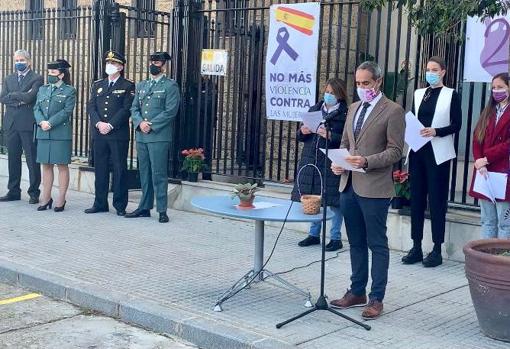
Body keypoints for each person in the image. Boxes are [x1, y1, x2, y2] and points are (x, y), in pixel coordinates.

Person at [330, 61, 405, 320]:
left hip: (374, 187)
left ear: (378, 82)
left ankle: (376, 298)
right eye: (358, 84)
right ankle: (357, 291)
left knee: (377, 243)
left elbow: (396, 151)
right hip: (348, 184)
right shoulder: (352, 108)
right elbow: (345, 142)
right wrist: (338, 163)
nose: (362, 88)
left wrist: (367, 161)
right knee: (356, 242)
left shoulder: (393, 111)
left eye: (367, 83)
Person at [402, 56, 462, 267]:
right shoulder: (420, 94)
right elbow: (412, 119)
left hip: (438, 153)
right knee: (416, 199)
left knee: (436, 201)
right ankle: (416, 246)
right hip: (418, 150)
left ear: (443, 71)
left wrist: (436, 131)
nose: (430, 73)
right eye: (428, 69)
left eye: (434, 69)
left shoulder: (451, 94)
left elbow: (457, 125)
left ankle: (436, 248)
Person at [291, 78, 348, 252]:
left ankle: (335, 237)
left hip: (331, 160)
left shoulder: (345, 114)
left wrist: (331, 136)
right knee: (314, 197)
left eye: (332, 92)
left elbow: (348, 140)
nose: (328, 95)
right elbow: (300, 136)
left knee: (334, 201)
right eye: (327, 91)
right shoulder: (315, 109)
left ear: (340, 95)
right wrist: (302, 131)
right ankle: (314, 234)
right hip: (311, 158)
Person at [125, 52, 180, 223]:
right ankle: (144, 206)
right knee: (144, 172)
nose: (154, 65)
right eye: (152, 62)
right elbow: (134, 108)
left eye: (157, 62)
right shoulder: (142, 85)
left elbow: (170, 111)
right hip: (142, 135)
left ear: (164, 66)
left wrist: (151, 125)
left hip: (158, 136)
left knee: (158, 173)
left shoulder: (170, 86)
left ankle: (162, 209)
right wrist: (140, 123)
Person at [84, 51, 135, 216]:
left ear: (120, 66)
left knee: (119, 169)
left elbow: (126, 109)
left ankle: (120, 205)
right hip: (99, 133)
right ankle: (100, 203)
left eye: (113, 64)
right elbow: (91, 106)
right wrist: (98, 123)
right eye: (107, 63)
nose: (109, 66)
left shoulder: (128, 85)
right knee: (100, 168)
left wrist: (111, 125)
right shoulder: (98, 84)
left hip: (117, 134)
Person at [469, 72, 510, 238]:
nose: (496, 91)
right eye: (493, 87)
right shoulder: (489, 111)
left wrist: (487, 158)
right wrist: (479, 160)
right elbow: (477, 138)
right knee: (487, 220)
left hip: (503, 171)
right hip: (484, 172)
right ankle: (486, 256)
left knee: (504, 222)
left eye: (500, 87)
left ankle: (501, 261)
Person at [0, 49, 43, 204]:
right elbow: (2, 97)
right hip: (11, 123)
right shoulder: (8, 78)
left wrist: (13, 95)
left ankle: (34, 192)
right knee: (13, 158)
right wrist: (19, 99)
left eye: (22, 60)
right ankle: (13, 191)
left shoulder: (37, 78)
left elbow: (32, 97)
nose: (19, 63)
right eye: (17, 60)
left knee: (32, 159)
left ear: (29, 61)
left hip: (27, 124)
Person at [33, 59, 76, 212]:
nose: (50, 75)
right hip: (43, 132)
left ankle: (61, 198)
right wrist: (41, 122)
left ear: (62, 74)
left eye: (53, 72)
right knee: (46, 166)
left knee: (62, 166)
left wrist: (50, 122)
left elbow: (67, 111)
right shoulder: (43, 89)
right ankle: (45, 197)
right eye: (49, 72)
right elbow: (36, 108)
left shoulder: (69, 90)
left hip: (59, 133)